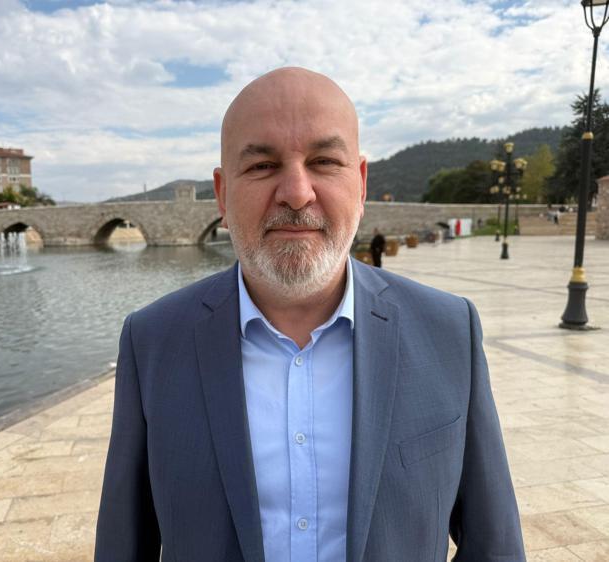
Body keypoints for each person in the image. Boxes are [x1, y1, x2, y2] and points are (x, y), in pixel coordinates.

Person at [95, 67, 525, 562]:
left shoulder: (448, 331)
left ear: (360, 183)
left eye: (323, 161)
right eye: (262, 166)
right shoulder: (152, 342)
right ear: (222, 194)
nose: (297, 193)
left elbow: (494, 546)